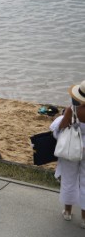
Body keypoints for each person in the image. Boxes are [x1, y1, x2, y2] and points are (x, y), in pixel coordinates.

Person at [51, 79, 85, 227]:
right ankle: (84, 219)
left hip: (72, 148)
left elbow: (61, 127)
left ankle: (67, 212)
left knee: (69, 179)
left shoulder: (73, 109)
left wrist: (66, 115)